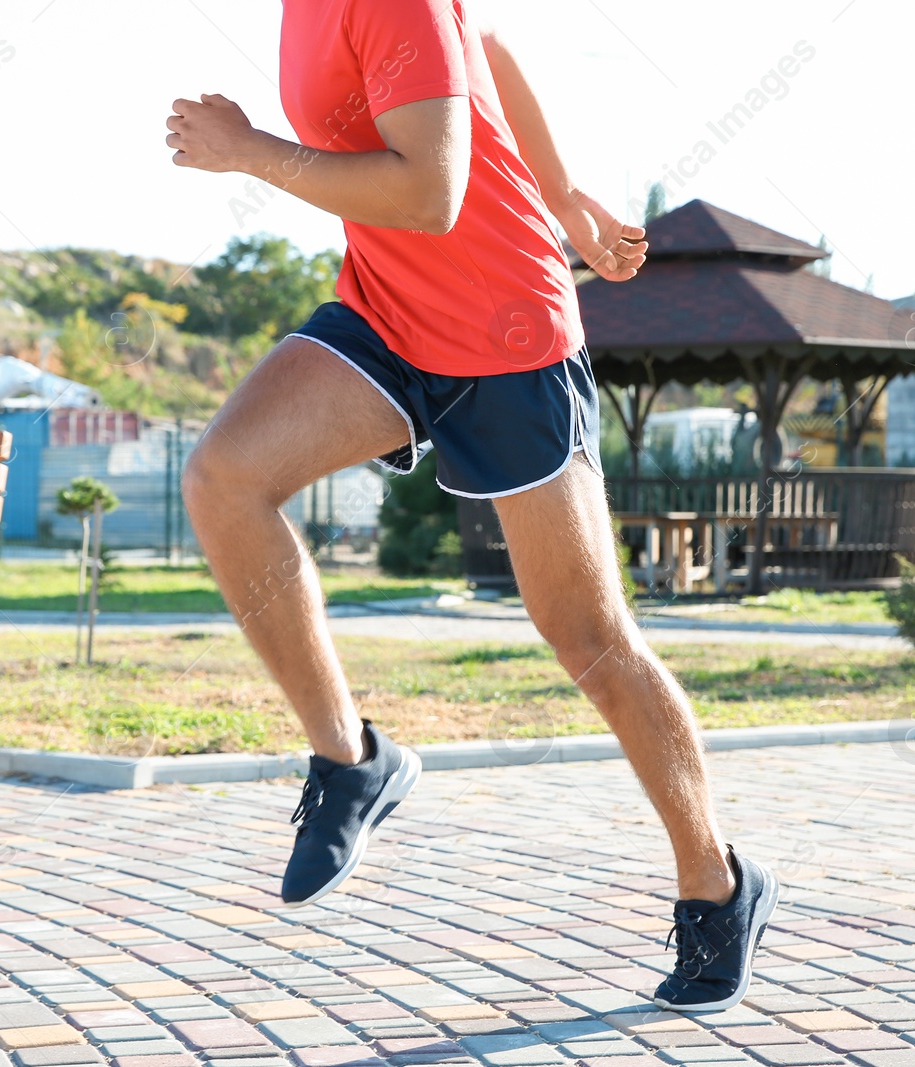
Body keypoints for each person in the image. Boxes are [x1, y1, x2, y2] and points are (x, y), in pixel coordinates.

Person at [166, 0, 777, 1012]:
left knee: (587, 636)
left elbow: (432, 192)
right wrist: (568, 193)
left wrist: (251, 152)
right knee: (222, 476)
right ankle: (349, 759)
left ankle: (715, 880)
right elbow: (485, 50)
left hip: (508, 338)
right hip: (388, 316)